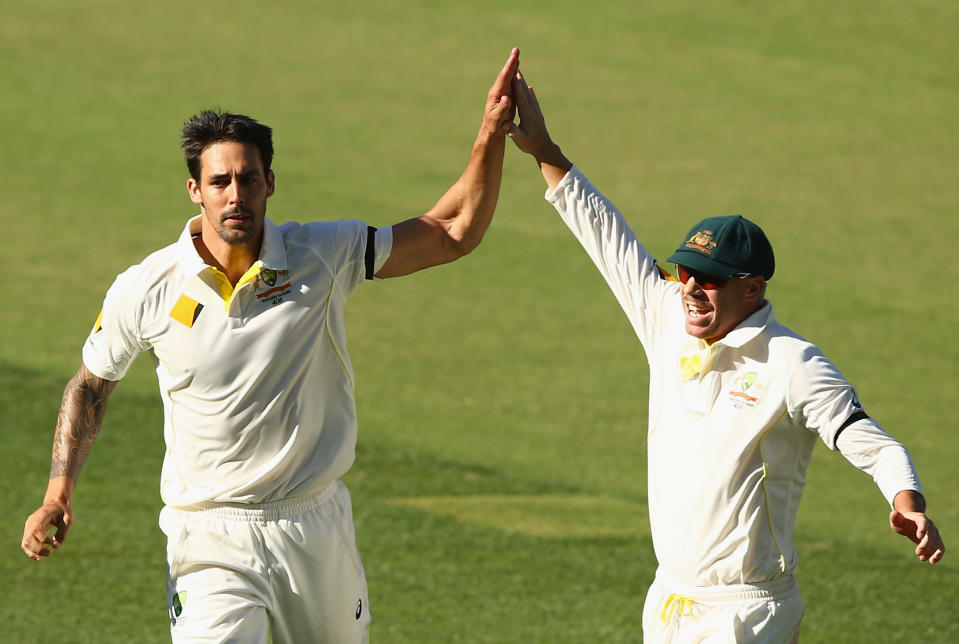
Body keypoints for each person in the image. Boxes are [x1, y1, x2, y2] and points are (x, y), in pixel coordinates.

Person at [21, 48, 521, 643]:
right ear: (194, 191)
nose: (235, 194)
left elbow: (451, 232)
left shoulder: (323, 255)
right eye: (219, 181)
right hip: (207, 537)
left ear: (270, 184)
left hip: (314, 530)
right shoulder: (147, 288)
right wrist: (58, 492)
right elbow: (90, 384)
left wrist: (491, 133)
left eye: (248, 179)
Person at [506, 68, 945, 643]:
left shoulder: (793, 363)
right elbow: (606, 236)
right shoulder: (666, 316)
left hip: (747, 611)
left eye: (708, 280)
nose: (688, 288)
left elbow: (877, 445)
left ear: (751, 289)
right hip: (668, 600)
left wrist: (906, 502)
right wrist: (544, 149)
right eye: (685, 272)